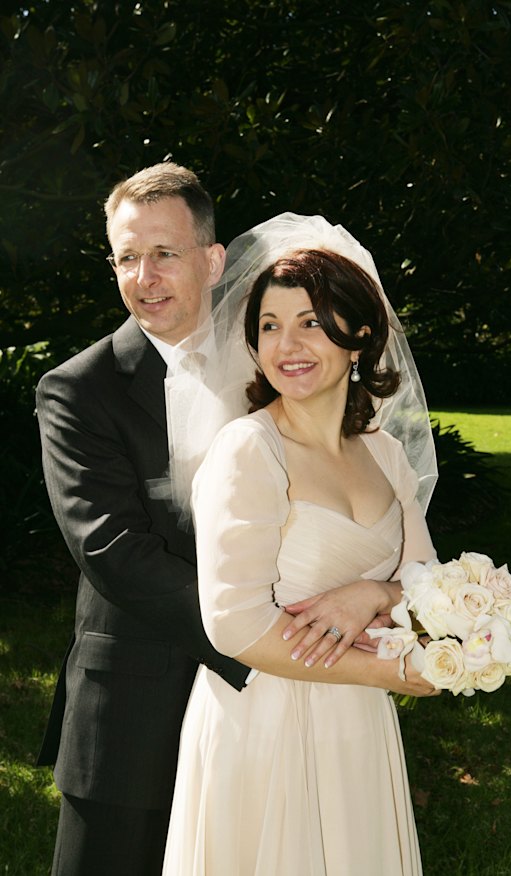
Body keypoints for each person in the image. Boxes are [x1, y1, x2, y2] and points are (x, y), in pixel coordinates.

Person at [161, 214, 441, 875]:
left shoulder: (385, 452)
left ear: (360, 337)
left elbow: (427, 581)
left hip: (356, 728)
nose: (287, 343)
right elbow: (232, 624)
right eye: (269, 325)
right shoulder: (248, 450)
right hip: (262, 721)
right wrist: (384, 672)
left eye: (311, 322)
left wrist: (373, 592)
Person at [35, 162, 251, 876]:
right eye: (128, 257)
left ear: (213, 259)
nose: (145, 276)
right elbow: (112, 548)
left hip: (258, 719)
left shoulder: (270, 370)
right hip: (128, 710)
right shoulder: (76, 389)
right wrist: (256, 639)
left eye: (165, 253)